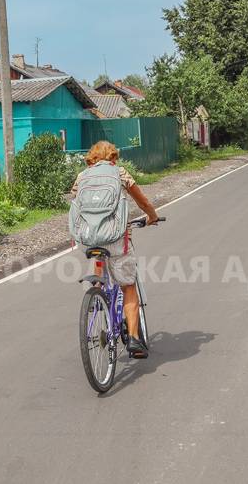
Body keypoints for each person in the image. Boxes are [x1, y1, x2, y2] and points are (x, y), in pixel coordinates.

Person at [71, 141, 159, 358]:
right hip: (116, 238)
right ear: (113, 156)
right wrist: (152, 216)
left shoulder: (82, 177)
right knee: (128, 285)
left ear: (91, 157)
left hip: (89, 239)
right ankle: (135, 340)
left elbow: (74, 204)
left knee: (97, 259)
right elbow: (142, 201)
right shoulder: (119, 173)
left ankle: (96, 293)